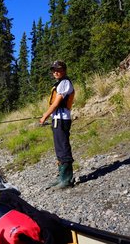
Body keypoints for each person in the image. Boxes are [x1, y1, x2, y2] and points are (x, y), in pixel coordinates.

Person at [39, 60, 75, 189]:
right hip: (57, 119)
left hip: (62, 119)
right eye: (54, 70)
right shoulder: (60, 83)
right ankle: (61, 176)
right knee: (59, 148)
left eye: (58, 70)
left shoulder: (65, 82)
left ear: (64, 70)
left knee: (63, 148)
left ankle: (67, 179)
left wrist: (44, 116)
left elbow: (55, 104)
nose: (56, 72)